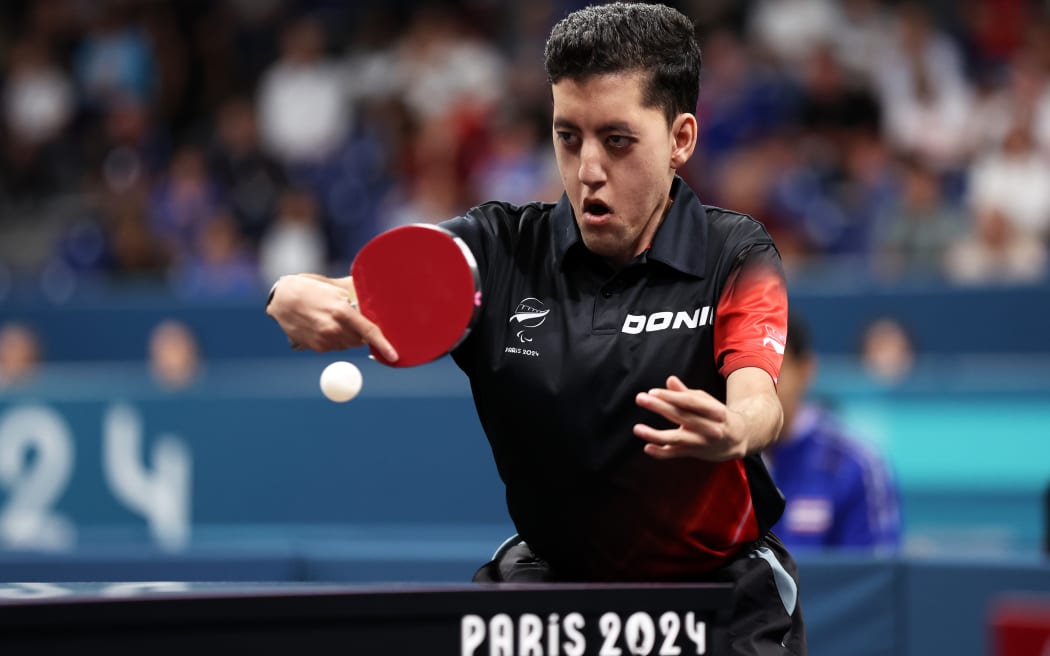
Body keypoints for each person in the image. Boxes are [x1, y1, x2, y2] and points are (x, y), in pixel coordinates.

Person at [266, 4, 804, 653]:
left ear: (681, 139)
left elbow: (758, 395)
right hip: (555, 587)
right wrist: (295, 291)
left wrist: (734, 428)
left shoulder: (732, 252)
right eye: (568, 137)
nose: (587, 170)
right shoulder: (498, 250)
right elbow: (357, 293)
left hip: (718, 592)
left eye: (618, 140)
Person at [766, 311, 902, 550]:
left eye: (773, 368)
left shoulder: (857, 466)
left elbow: (874, 579)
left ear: (805, 369)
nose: (756, 386)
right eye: (742, 370)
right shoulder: (713, 462)